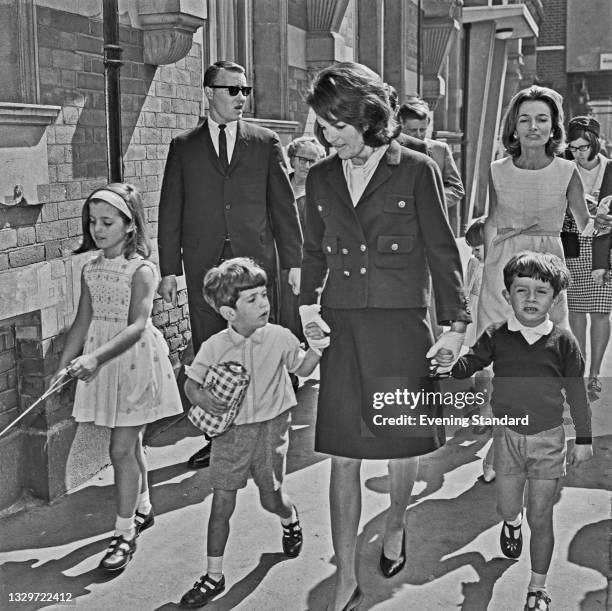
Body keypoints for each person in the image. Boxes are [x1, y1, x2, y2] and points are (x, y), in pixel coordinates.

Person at [300, 62, 470, 611]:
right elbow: (312, 249)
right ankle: (346, 573)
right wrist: (306, 307)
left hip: (402, 327)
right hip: (344, 327)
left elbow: (443, 252)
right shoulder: (322, 175)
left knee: (401, 443)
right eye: (323, 125)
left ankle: (396, 520)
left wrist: (455, 328)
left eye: (337, 124)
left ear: (367, 117)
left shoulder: (417, 169)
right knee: (342, 455)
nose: (328, 136)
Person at [158, 60, 303, 469]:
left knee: (258, 345)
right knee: (211, 346)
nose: (241, 98)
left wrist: (293, 262)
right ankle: (217, 437)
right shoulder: (184, 147)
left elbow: (284, 207)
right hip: (205, 266)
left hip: (255, 266)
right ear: (209, 92)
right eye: (232, 90)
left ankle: (264, 432)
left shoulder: (265, 141)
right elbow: (171, 210)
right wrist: (169, 269)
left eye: (245, 90)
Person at [178, 257, 326, 608]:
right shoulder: (215, 346)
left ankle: (289, 519)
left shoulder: (280, 337)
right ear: (229, 312)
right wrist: (200, 397)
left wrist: (318, 346)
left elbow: (302, 368)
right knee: (221, 504)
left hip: (272, 429)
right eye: (252, 299)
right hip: (230, 433)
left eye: (264, 295)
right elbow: (191, 382)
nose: (264, 303)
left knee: (270, 498)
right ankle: (213, 575)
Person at [50, 184, 183, 571]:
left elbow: (138, 326)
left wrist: (94, 358)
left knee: (120, 451)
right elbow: (81, 321)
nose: (98, 229)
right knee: (130, 444)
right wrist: (65, 364)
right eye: (93, 222)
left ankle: (124, 533)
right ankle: (142, 507)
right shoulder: (91, 268)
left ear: (130, 225)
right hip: (101, 361)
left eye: (108, 222)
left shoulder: (141, 270)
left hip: (132, 362)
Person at [451, 251, 592, 611]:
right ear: (506, 295)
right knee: (507, 505)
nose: (531, 299)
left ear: (555, 298)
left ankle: (537, 588)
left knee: (541, 516)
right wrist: (449, 359)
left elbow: (576, 393)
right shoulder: (497, 335)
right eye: (521, 290)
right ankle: (511, 523)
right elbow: (471, 363)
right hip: (508, 438)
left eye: (541, 292)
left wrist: (584, 438)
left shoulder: (564, 343)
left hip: (548, 440)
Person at [477, 86, 595, 337]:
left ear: (553, 128)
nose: (533, 126)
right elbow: (492, 220)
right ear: (514, 128)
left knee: (548, 344)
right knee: (494, 340)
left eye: (542, 119)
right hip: (502, 264)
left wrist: (605, 223)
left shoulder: (567, 170)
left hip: (548, 262)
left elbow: (586, 223)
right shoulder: (497, 169)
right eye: (524, 119)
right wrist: (488, 265)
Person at [562, 116, 612, 400]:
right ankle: (580, 373)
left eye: (583, 147)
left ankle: (595, 374)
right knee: (577, 311)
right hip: (572, 243)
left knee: (601, 311)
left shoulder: (610, 168)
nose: (578, 153)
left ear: (595, 143)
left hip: (604, 245)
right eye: (573, 148)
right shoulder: (566, 169)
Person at [280, 136, 326, 340]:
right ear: (292, 159)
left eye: (313, 161)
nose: (307, 166)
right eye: (302, 159)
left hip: (306, 261)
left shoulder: (323, 192)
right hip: (279, 259)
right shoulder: (280, 186)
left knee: (297, 314)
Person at [398, 96, 465, 210]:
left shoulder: (440, 150)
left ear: (428, 123)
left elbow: (457, 188)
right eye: (413, 130)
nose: (418, 135)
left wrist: (430, 201)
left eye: (423, 130)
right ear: (401, 123)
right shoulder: (392, 150)